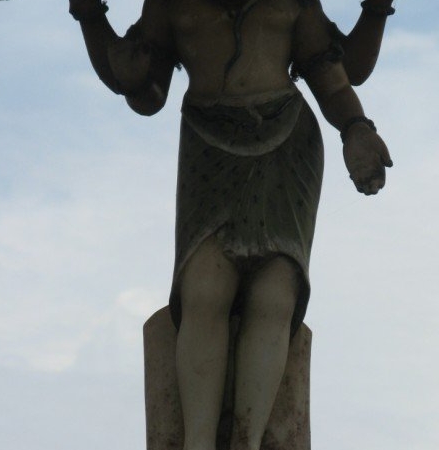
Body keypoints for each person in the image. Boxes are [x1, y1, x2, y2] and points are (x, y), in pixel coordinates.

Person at [69, 1, 394, 449]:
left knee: (274, 294)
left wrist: (357, 128)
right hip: (208, 145)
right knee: (204, 288)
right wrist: (90, 16)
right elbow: (144, 91)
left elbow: (335, 77)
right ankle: (198, 441)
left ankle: (248, 440)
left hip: (286, 143)